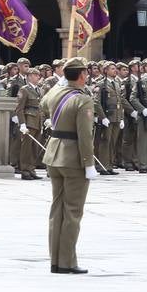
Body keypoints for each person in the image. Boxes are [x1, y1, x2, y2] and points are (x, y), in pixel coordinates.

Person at [40, 57, 96, 274]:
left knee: (57, 210)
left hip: (54, 155)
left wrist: (60, 83)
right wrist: (88, 163)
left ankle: (55, 260)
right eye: (86, 73)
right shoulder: (83, 100)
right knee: (72, 211)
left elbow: (44, 103)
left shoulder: (56, 93)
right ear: (81, 75)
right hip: (73, 159)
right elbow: (85, 136)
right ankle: (67, 262)